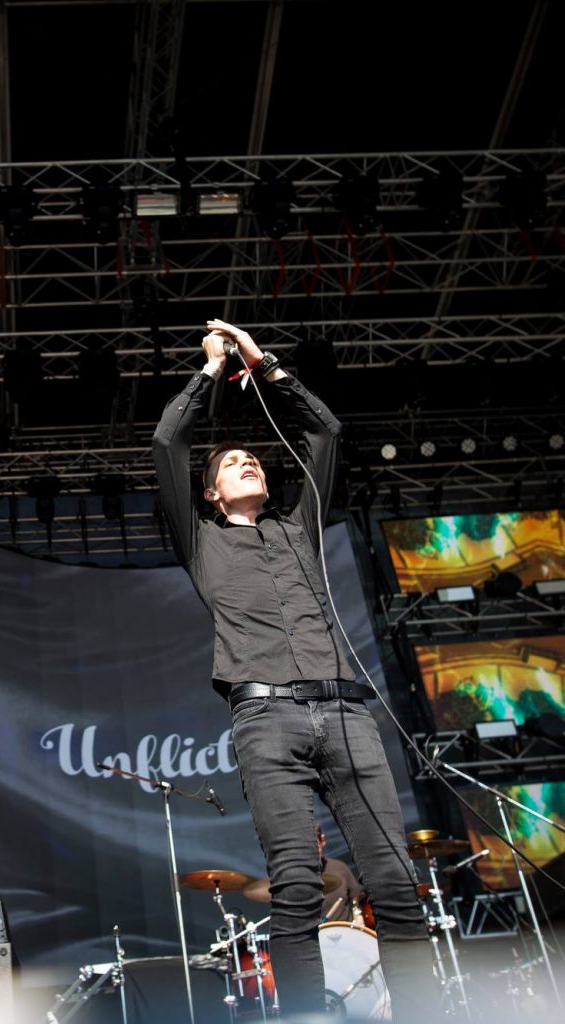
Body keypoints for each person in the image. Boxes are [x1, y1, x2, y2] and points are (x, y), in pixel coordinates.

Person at [151, 320, 435, 1020]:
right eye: (231, 464)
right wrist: (212, 368)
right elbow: (168, 442)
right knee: (297, 887)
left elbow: (326, 434)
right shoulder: (201, 539)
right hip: (266, 720)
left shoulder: (296, 526)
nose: (247, 462)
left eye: (252, 458)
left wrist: (265, 365)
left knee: (395, 882)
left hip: (346, 715)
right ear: (211, 494)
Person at [315, 822, 365, 925]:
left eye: (315, 847)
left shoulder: (340, 867)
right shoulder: (295, 878)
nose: (311, 854)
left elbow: (356, 901)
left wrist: (359, 919)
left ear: (322, 841)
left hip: (347, 931)